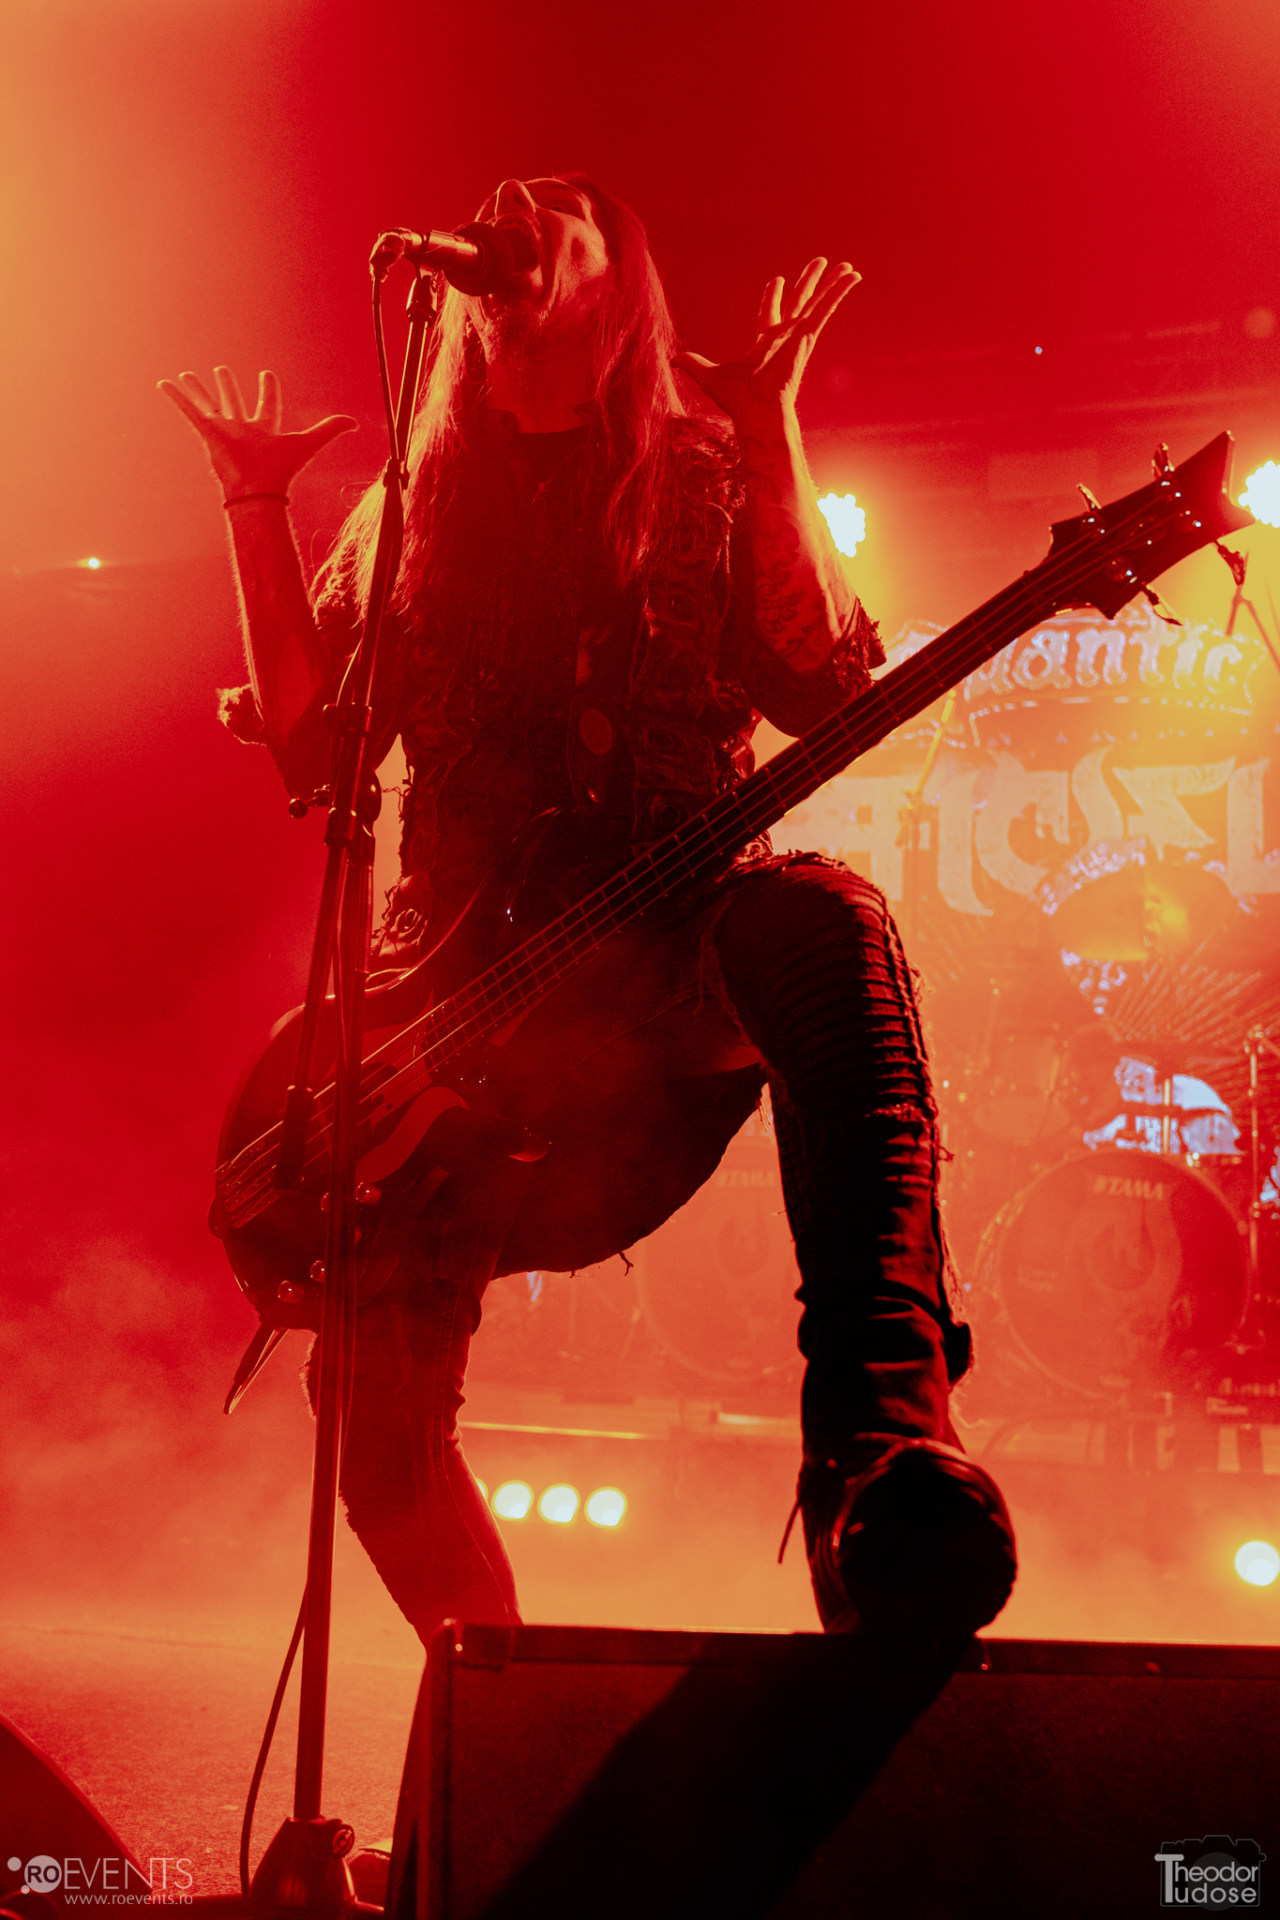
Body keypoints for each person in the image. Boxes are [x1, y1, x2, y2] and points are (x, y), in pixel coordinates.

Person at [161, 174, 1016, 1649]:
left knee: (826, 923)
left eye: (559, 204)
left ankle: (887, 1448)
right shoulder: (416, 500)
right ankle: (497, 1719)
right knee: (379, 1449)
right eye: (502, 193)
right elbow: (314, 751)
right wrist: (252, 503)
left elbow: (824, 685)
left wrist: (771, 431)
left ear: (618, 282)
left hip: (671, 952)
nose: (513, 204)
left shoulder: (703, 470)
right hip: (455, 1001)